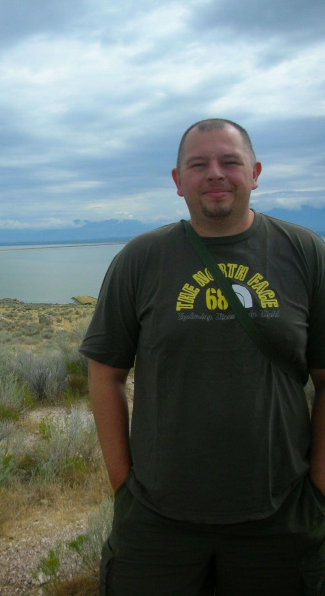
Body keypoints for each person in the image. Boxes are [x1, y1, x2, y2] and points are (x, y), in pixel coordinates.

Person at [79, 118, 325, 595]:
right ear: (178, 181)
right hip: (157, 522)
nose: (215, 173)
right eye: (198, 165)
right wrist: (124, 491)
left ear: (254, 173)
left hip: (283, 517)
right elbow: (104, 375)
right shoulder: (140, 259)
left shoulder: (306, 254)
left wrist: (317, 492)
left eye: (229, 162)